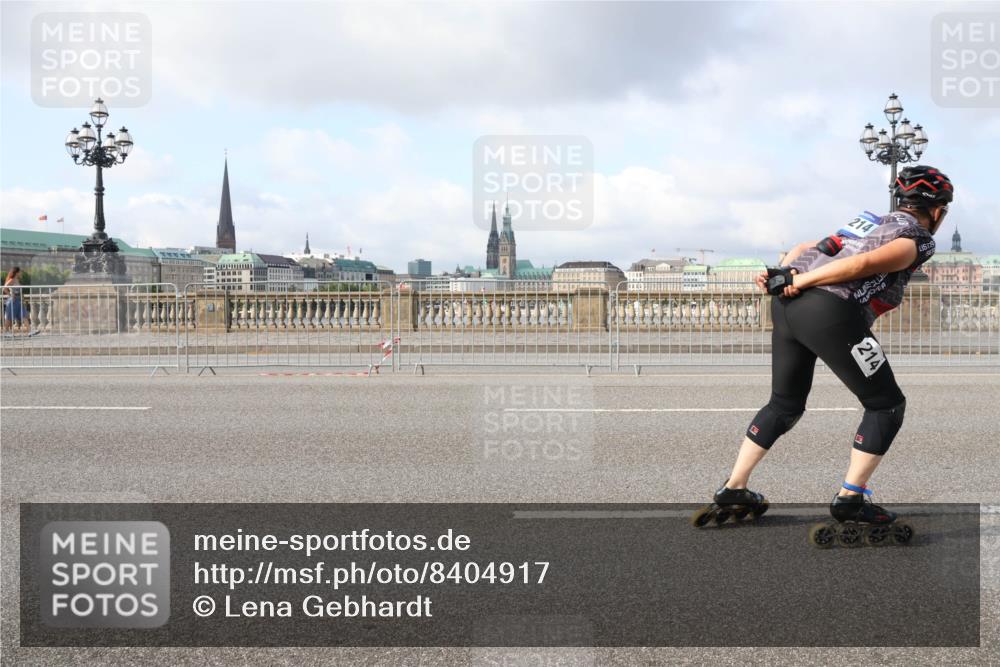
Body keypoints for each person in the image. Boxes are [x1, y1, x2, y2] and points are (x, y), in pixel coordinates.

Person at [694, 165, 953, 530]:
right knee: (886, 405)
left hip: (787, 308)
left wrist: (782, 275)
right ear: (938, 211)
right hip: (830, 313)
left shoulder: (869, 221)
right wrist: (804, 282)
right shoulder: (919, 237)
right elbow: (862, 264)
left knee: (784, 404)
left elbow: (805, 249)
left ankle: (734, 487)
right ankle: (851, 499)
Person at [3, 266, 27, 334]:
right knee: (9, 317)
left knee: (24, 315)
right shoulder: (12, 280)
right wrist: (11, 295)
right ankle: (6, 332)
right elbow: (4, 288)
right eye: (20, 272)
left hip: (18, 300)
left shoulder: (17, 280)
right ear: (17, 273)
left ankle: (30, 331)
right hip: (13, 301)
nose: (21, 273)